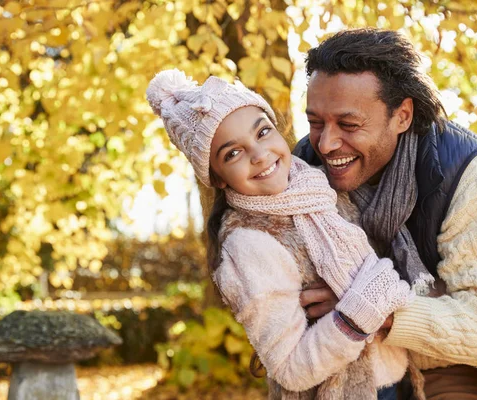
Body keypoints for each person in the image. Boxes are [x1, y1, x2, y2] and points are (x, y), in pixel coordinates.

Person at [295, 28, 477, 400]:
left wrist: (370, 307)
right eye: (315, 122)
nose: (326, 144)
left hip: (442, 362)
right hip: (344, 357)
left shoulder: (464, 172)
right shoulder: (299, 170)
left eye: (348, 125)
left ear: (403, 115)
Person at [146, 69, 417, 399]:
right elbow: (290, 369)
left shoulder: (321, 188)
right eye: (233, 153)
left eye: (262, 133)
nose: (259, 155)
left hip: (396, 377)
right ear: (217, 178)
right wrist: (356, 315)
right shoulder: (249, 243)